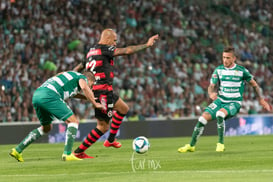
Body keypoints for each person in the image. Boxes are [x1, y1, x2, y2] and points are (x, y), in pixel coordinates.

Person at [73, 28, 159, 158]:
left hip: (105, 90)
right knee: (103, 126)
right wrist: (146, 45)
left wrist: (72, 79)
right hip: (101, 91)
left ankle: (111, 140)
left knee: (123, 108)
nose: (115, 44)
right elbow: (127, 51)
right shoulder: (105, 49)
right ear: (107, 39)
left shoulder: (90, 52)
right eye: (114, 41)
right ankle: (78, 152)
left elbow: (78, 68)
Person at [178, 46, 272, 153]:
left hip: (234, 103)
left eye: (228, 58)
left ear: (234, 59)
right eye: (223, 57)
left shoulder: (242, 71)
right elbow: (211, 86)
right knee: (202, 119)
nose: (225, 60)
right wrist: (211, 93)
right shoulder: (219, 70)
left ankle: (220, 144)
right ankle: (191, 145)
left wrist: (261, 99)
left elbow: (255, 85)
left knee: (220, 114)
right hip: (220, 101)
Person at [9, 71, 104, 162]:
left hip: (37, 95)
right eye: (92, 84)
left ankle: (17, 150)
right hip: (50, 95)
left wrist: (86, 97)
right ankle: (67, 154)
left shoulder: (70, 76)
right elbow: (84, 87)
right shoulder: (82, 77)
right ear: (90, 80)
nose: (91, 87)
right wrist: (95, 103)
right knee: (73, 121)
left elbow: (70, 89)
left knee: (46, 128)